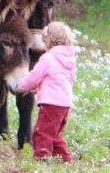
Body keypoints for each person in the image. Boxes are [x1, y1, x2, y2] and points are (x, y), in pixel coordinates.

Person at [17, 21, 77, 162]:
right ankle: (64, 158)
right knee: (54, 133)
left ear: (49, 40)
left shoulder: (47, 58)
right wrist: (39, 88)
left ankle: (42, 158)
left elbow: (34, 77)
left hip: (51, 104)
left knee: (42, 132)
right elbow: (65, 79)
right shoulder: (70, 59)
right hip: (65, 103)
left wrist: (22, 87)